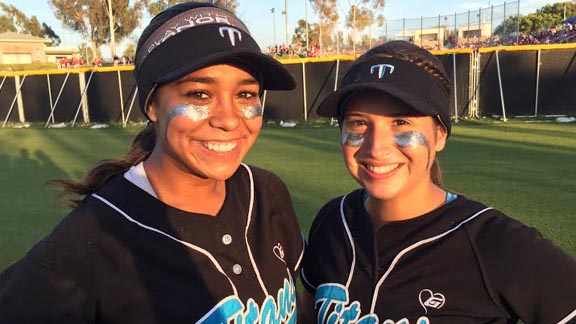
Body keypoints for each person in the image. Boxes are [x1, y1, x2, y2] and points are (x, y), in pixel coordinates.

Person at [0, 3, 304, 323]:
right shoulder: (93, 237)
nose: (229, 120)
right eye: (199, 94)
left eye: (245, 95)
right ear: (153, 106)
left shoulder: (267, 191)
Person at [300, 41, 576, 324]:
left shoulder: (496, 244)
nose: (375, 147)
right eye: (358, 123)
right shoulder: (332, 222)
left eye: (401, 123)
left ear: (440, 135)